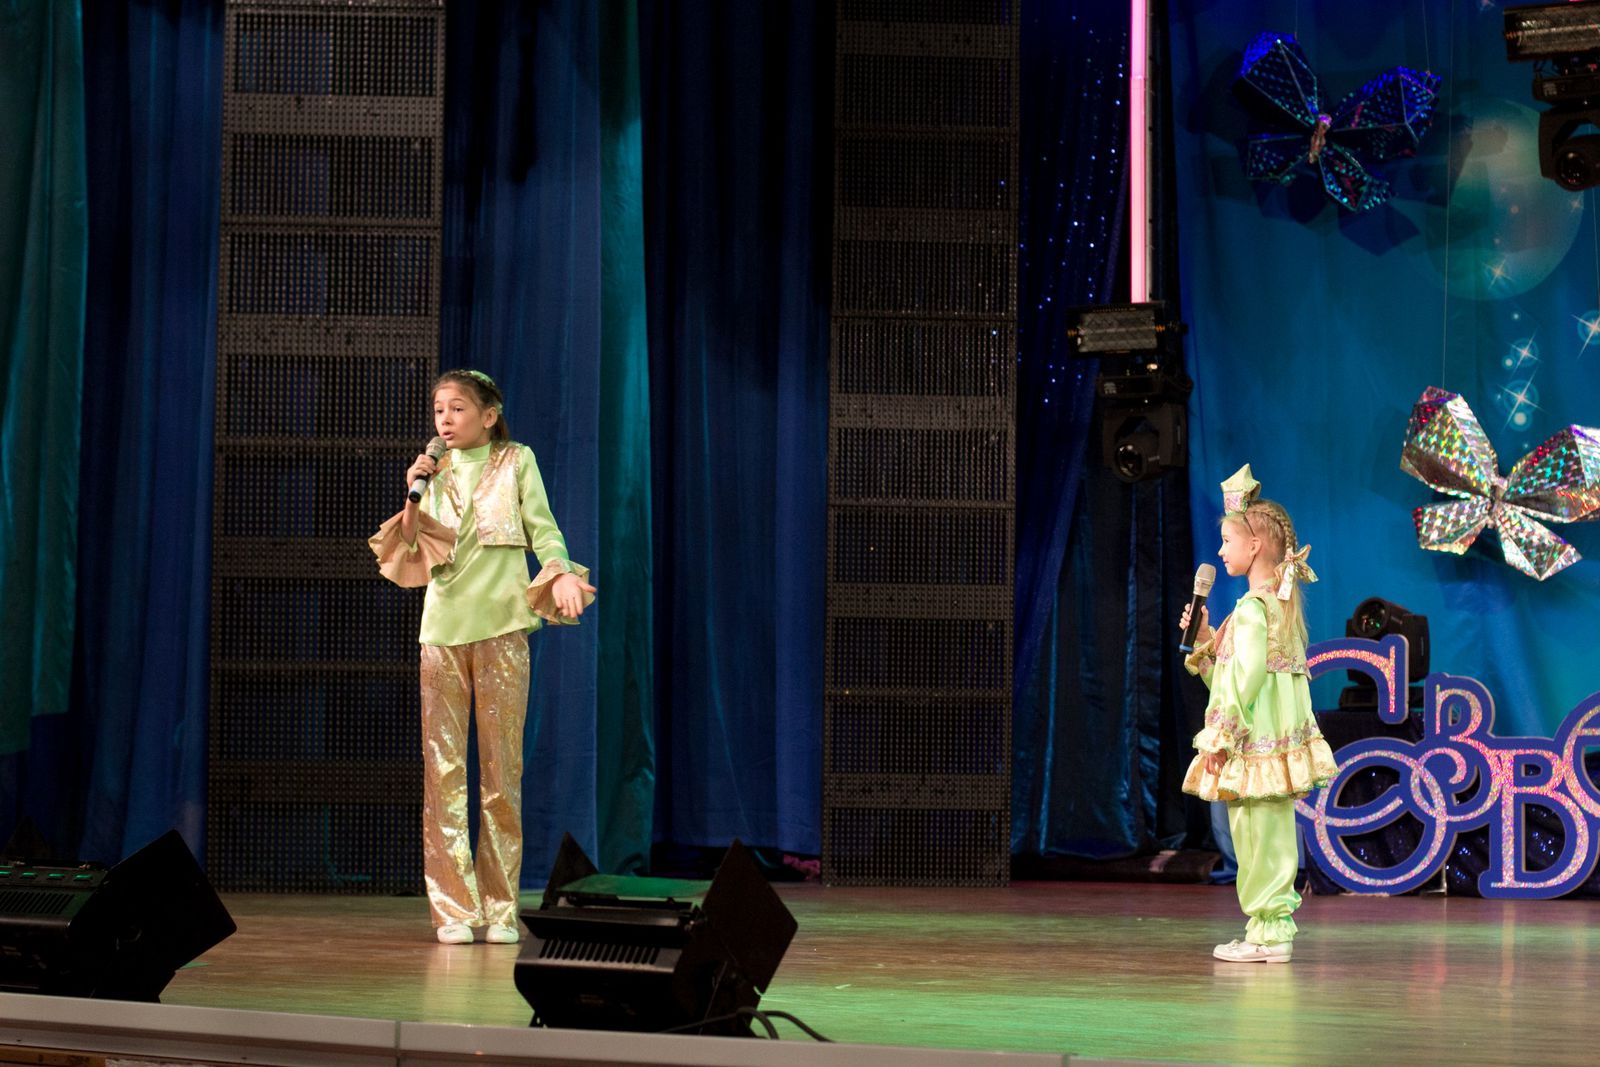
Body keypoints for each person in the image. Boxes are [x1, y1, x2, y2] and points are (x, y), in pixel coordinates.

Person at [369, 369, 596, 945]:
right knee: (443, 773)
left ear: (489, 416)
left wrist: (560, 572)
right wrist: (414, 490)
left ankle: (499, 908)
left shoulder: (516, 461)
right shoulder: (434, 471)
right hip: (443, 632)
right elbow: (408, 548)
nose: (445, 419)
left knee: (501, 772)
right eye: (438, 410)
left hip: (501, 629)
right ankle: (453, 909)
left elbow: (544, 530)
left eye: (458, 409)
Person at [1180, 464, 1335, 963]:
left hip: (1253, 745)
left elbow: (1242, 685)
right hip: (1269, 744)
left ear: (1255, 546)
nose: (1221, 551)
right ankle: (1268, 930)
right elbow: (1235, 679)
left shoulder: (1253, 610)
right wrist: (1206, 640)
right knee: (1263, 835)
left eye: (1227, 541)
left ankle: (1269, 934)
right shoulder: (1273, 608)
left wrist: (1219, 738)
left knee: (1255, 837)